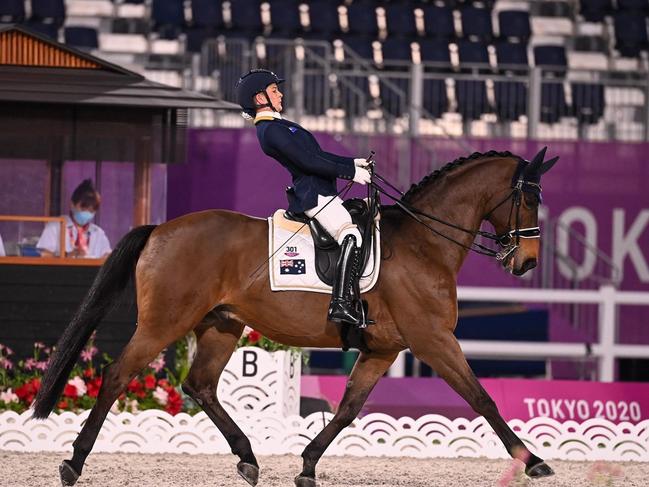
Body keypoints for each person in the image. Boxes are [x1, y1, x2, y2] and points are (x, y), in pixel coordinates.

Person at [236, 69, 372, 328]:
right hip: (314, 194)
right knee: (351, 236)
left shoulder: (278, 125)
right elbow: (308, 161)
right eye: (274, 90)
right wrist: (350, 172)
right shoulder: (270, 130)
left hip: (322, 190)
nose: (280, 94)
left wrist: (353, 163)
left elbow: (318, 155)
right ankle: (340, 304)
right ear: (259, 98)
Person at [37, 179, 111, 259]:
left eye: (91, 211)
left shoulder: (98, 233)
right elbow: (44, 256)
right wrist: (66, 257)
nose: (87, 214)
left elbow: (108, 257)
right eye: (83, 209)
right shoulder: (56, 226)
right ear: (72, 204)